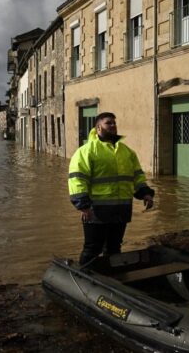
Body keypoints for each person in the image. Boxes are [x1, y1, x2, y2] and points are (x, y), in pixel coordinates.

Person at [68, 112, 155, 265]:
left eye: (114, 123)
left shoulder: (127, 152)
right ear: (98, 127)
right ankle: (84, 277)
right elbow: (77, 179)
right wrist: (83, 206)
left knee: (114, 248)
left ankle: (112, 276)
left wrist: (145, 194)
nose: (113, 126)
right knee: (92, 249)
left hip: (121, 210)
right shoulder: (86, 151)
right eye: (109, 123)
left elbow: (137, 176)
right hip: (96, 211)